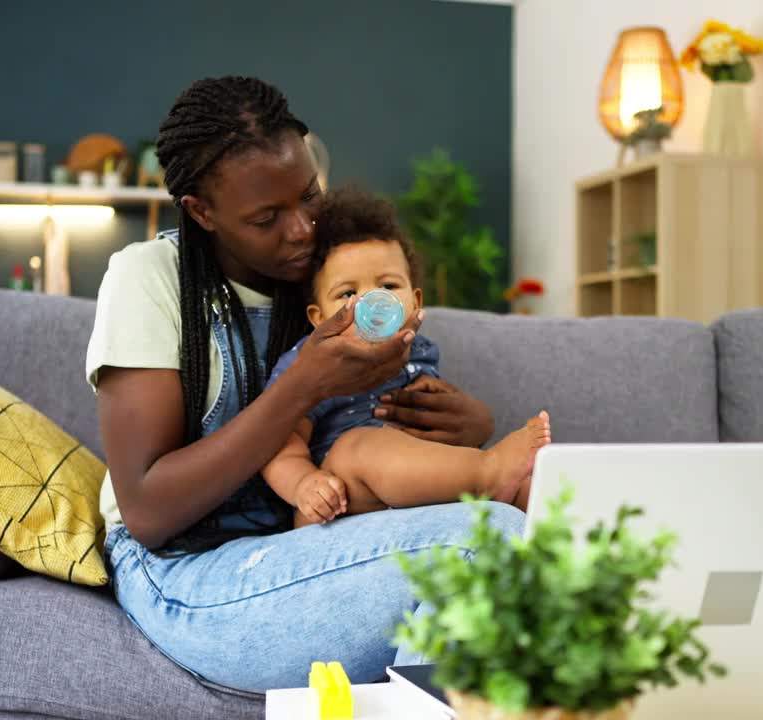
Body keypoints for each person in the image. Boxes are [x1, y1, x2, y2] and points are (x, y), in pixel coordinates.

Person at [87, 76, 525, 692]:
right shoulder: (150, 278)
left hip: (315, 543)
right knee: (490, 543)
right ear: (201, 212)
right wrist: (301, 387)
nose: (300, 230)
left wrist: (469, 426)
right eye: (267, 218)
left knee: (515, 551)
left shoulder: (324, 273)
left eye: (308, 198)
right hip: (181, 570)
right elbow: (149, 511)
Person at [262, 187, 550, 526]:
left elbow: (439, 423)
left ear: (414, 300)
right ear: (317, 317)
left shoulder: (419, 349)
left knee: (526, 487)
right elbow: (279, 443)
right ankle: (488, 471)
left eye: (387, 287)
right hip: (341, 495)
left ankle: (571, 528)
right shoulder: (310, 363)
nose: (371, 302)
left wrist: (440, 405)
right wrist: (304, 484)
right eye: (348, 293)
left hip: (414, 484)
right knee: (359, 446)